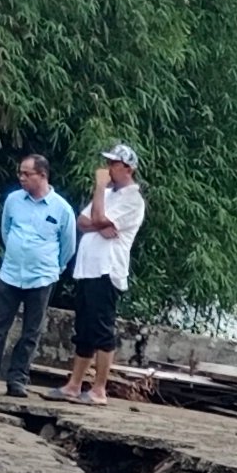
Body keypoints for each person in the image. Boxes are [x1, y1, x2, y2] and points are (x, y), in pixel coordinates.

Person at [0, 154, 79, 395]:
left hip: (41, 278)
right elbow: (6, 230)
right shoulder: (13, 200)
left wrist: (53, 267)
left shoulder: (61, 209)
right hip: (10, 274)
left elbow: (68, 246)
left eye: (26, 174)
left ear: (42, 175)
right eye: (20, 173)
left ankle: (17, 380)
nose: (21, 178)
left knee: (31, 332)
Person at [56, 142, 147, 405]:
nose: (107, 170)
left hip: (107, 270)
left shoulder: (132, 199)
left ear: (127, 168)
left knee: (102, 329)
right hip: (87, 269)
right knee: (84, 329)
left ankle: (99, 389)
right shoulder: (108, 195)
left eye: (113, 164)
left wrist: (98, 188)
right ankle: (74, 384)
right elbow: (83, 222)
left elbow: (97, 217)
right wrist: (99, 221)